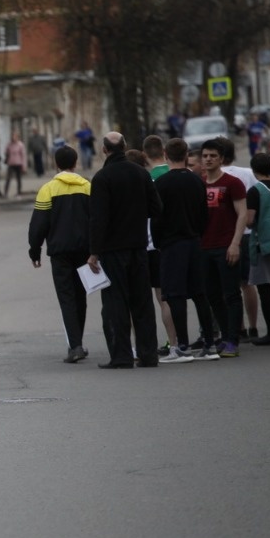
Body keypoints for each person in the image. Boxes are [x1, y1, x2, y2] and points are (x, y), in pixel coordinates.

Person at [87, 132, 162, 369]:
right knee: (142, 302)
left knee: (115, 303)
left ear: (104, 150)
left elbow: (99, 219)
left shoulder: (102, 178)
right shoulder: (141, 174)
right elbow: (157, 208)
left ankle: (121, 356)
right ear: (125, 147)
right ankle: (148, 354)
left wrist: (94, 252)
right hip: (139, 247)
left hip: (112, 250)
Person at [151, 138, 216, 363]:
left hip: (172, 244)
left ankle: (182, 346)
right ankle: (209, 344)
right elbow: (204, 215)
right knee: (200, 294)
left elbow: (156, 219)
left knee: (174, 295)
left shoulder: (161, 184)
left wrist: (159, 242)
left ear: (166, 155)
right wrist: (197, 233)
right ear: (187, 155)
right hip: (194, 241)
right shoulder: (197, 181)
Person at [28, 146, 91, 363]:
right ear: (76, 164)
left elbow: (39, 224)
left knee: (67, 298)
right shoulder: (87, 187)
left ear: (56, 164)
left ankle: (75, 346)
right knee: (81, 295)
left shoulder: (48, 189)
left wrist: (34, 250)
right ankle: (78, 342)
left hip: (60, 252)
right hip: (84, 251)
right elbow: (96, 220)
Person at [199, 139, 248, 357]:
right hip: (204, 248)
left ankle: (232, 341)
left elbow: (243, 214)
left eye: (213, 156)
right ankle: (224, 336)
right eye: (205, 155)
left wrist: (235, 243)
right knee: (212, 295)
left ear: (221, 159)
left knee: (231, 294)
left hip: (227, 246)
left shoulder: (232, 183)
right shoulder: (198, 184)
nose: (208, 159)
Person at [216, 136, 260, 340]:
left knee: (228, 286)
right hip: (248, 234)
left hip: (227, 235)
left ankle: (238, 327)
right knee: (247, 283)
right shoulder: (248, 173)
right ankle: (253, 326)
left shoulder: (216, 176)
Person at [141, 136, 178, 356]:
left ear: (145, 155)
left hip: (152, 245)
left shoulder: (148, 180)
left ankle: (170, 341)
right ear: (164, 151)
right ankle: (182, 341)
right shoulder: (179, 173)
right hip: (177, 241)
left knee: (161, 296)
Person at [246, 153, 270, 345]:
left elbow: (249, 219)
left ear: (254, 171)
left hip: (263, 243)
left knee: (265, 288)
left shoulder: (255, 191)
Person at [3, 131, 26, 197]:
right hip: (11, 163)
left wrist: (24, 166)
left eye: (15, 137)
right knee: (8, 178)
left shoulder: (20, 144)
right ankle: (5, 193)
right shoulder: (9, 144)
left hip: (18, 163)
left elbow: (23, 156)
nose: (14, 138)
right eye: (13, 136)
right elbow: (5, 152)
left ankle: (19, 192)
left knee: (18, 178)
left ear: (17, 137)